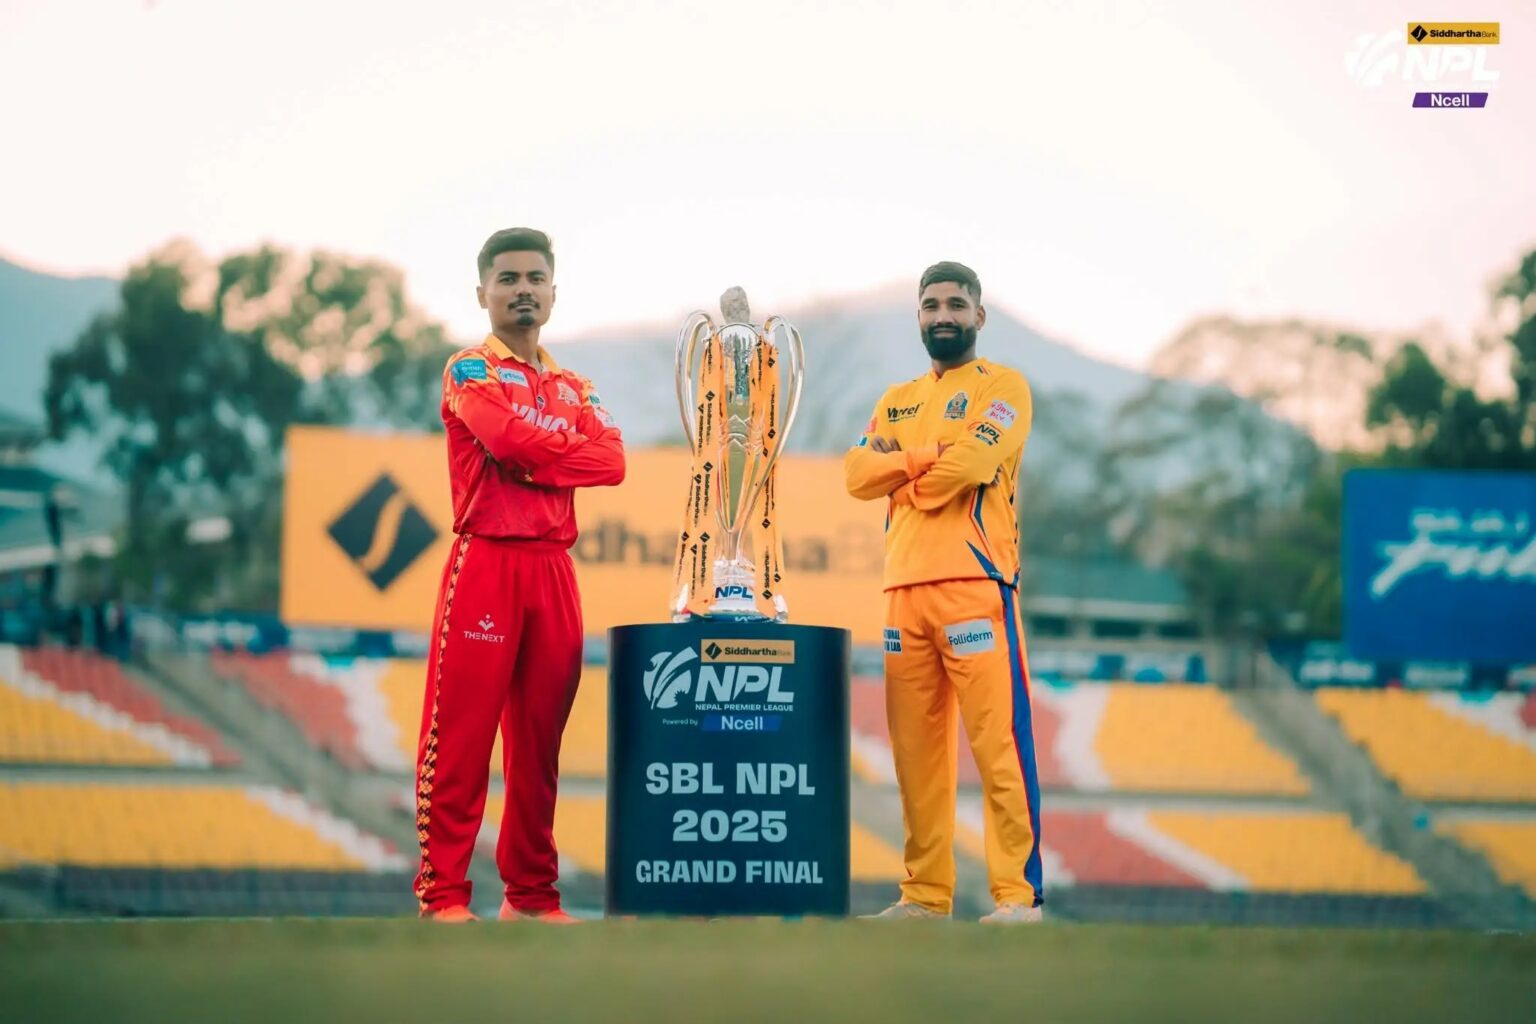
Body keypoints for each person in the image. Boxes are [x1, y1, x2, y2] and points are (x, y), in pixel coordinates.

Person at [413, 227, 625, 923]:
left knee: (540, 746)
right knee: (462, 736)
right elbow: (501, 437)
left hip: (553, 570)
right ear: (483, 294)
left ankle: (530, 898)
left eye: (535, 278)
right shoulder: (468, 370)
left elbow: (612, 463)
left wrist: (532, 458)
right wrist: (554, 450)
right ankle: (444, 897)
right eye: (508, 279)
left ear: (554, 293)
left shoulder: (576, 386)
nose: (523, 290)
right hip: (487, 561)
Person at [843, 261, 1043, 924]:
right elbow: (856, 474)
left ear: (978, 316)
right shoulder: (896, 398)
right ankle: (925, 897)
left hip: (975, 587)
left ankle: (1018, 898)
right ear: (919, 317)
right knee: (915, 760)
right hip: (902, 594)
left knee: (998, 748)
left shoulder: (1003, 386)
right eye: (931, 306)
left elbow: (976, 461)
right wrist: (924, 458)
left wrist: (903, 474)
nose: (943, 316)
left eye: (956, 304)